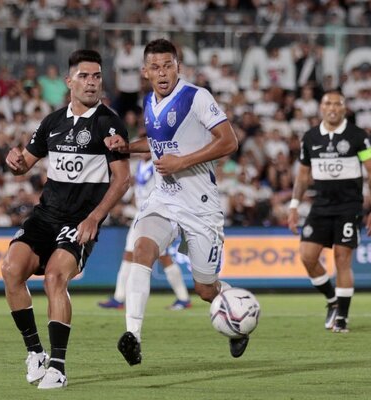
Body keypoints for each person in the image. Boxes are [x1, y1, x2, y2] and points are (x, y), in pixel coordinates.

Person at [106, 39, 240, 364]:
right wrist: (126, 147)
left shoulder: (196, 97)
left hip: (200, 206)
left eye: (168, 65)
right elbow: (157, 144)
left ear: (178, 66)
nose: (162, 72)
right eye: (155, 67)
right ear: (145, 72)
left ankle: (239, 313)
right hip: (164, 199)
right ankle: (133, 336)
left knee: (206, 290)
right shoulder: (149, 102)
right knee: (142, 249)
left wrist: (184, 161)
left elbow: (229, 141)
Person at [2, 49, 130, 390]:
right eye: (85, 76)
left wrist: (95, 218)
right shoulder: (53, 122)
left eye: (97, 76)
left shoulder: (109, 122)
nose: (91, 82)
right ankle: (35, 353)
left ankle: (57, 367)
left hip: (80, 219)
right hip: (46, 215)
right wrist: (13, 161)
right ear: (69, 81)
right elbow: (24, 165)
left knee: (55, 278)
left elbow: (122, 179)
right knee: (11, 270)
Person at [287, 90, 371, 333]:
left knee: (342, 258)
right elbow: (302, 175)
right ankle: (332, 300)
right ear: (321, 107)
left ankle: (342, 318)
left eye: (337, 103)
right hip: (321, 206)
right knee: (307, 256)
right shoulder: (309, 137)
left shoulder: (358, 136)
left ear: (344, 108)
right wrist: (294, 206)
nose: (332, 107)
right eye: (327, 103)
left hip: (349, 207)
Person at [98, 152, 191, 311]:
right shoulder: (140, 165)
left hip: (154, 216)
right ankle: (119, 297)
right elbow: (139, 190)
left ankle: (183, 298)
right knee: (128, 255)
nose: (140, 152)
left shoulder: (159, 164)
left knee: (164, 257)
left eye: (144, 148)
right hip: (140, 215)